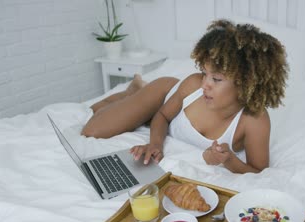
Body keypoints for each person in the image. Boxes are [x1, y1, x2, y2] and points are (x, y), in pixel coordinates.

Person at [82, 19, 288, 174]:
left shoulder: (254, 120)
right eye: (204, 73)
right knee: (92, 129)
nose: (205, 83)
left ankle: (136, 95)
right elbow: (162, 116)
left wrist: (227, 160)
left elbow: (259, 171)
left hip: (169, 105)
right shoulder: (192, 84)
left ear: (246, 83)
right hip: (164, 93)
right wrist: (155, 144)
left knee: (107, 122)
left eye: (216, 79)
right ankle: (134, 90)